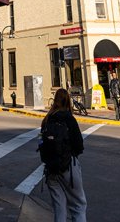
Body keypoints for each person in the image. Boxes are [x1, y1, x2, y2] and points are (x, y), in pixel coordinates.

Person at [40, 88, 87, 222]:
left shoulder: (47, 119)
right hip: (68, 167)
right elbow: (79, 145)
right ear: (68, 101)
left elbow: (41, 142)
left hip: (51, 169)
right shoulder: (69, 118)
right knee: (78, 205)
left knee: (59, 207)